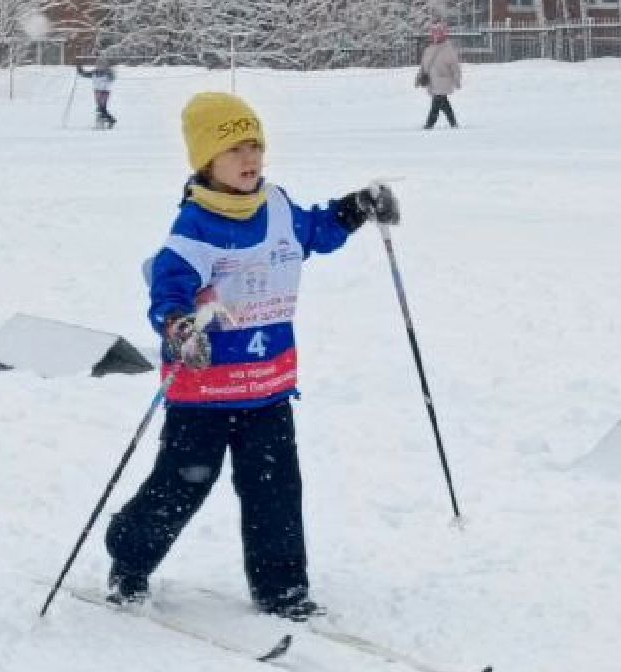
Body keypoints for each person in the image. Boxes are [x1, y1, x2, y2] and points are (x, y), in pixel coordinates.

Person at [104, 91, 400, 621]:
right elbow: (168, 294)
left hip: (267, 387)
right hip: (203, 394)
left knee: (276, 492)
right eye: (235, 148)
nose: (250, 158)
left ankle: (282, 590)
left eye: (256, 145)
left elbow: (318, 231)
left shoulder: (279, 207)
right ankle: (129, 558)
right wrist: (179, 328)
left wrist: (356, 207)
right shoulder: (193, 229)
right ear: (207, 160)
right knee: (180, 487)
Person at [417, 25, 463, 129]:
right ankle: (453, 123)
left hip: (443, 80)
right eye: (434, 34)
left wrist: (457, 79)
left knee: (437, 102)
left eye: (438, 34)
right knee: (443, 103)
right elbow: (424, 65)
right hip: (432, 81)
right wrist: (419, 77)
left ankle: (429, 124)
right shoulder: (428, 49)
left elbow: (455, 67)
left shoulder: (448, 50)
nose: (436, 36)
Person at [77, 61, 117, 129]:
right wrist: (79, 68)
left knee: (101, 108)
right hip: (97, 91)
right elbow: (84, 74)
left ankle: (106, 121)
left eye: (101, 66)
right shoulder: (94, 72)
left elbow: (112, 78)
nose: (99, 67)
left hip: (104, 91)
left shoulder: (108, 72)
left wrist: (109, 70)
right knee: (101, 108)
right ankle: (108, 120)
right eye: (98, 65)